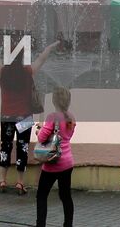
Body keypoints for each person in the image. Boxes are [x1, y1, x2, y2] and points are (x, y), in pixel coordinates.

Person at [0, 40, 59, 194]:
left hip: (7, 117)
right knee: (22, 147)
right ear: (22, 57)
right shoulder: (27, 72)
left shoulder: (3, 72)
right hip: (24, 117)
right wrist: (49, 48)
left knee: (5, 146)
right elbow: (41, 60)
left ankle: (2, 181)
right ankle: (20, 183)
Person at [34, 87, 76, 227]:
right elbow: (67, 135)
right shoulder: (71, 117)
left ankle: (40, 224)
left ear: (54, 101)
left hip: (53, 163)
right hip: (67, 162)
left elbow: (42, 138)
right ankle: (68, 224)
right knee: (65, 196)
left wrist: (40, 130)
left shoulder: (52, 117)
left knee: (42, 195)